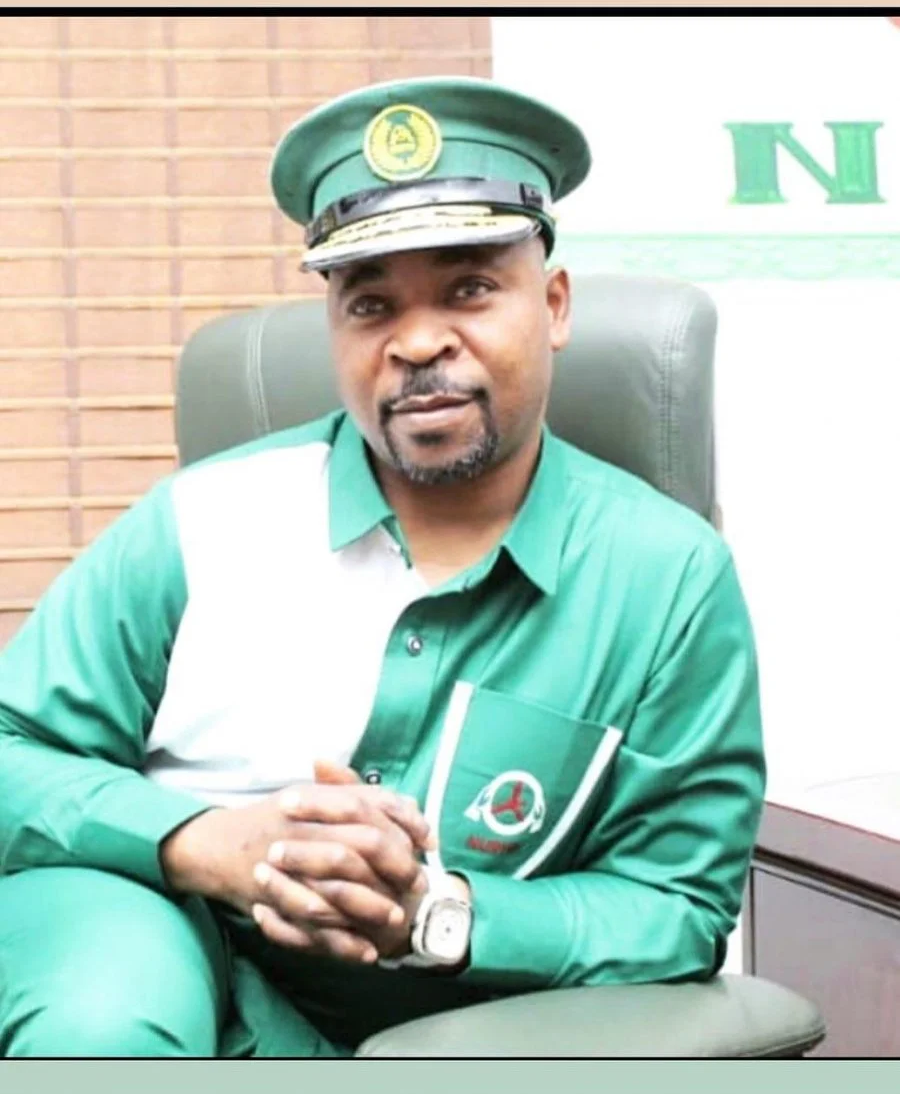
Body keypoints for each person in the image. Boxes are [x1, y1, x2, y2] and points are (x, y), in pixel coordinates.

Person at [0, 76, 765, 1058]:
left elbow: (677, 904)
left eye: (469, 289)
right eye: (370, 304)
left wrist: (438, 912)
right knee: (107, 1010)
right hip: (178, 958)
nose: (417, 341)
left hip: (469, 1031)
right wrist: (205, 843)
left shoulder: (669, 581)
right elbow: (13, 749)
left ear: (554, 304)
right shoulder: (203, 518)